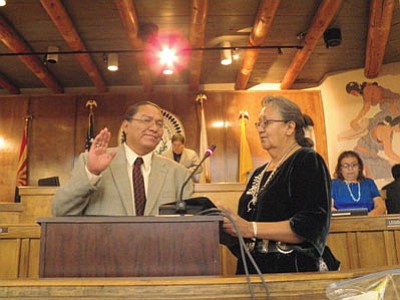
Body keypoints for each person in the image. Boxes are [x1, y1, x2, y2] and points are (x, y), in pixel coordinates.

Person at [217, 95, 333, 274]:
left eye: (267, 122)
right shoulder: (258, 173)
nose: (260, 129)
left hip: (290, 270)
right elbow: (246, 235)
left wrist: (250, 228)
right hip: (253, 271)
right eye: (259, 124)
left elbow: (310, 226)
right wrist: (228, 229)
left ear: (290, 127)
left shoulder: (307, 160)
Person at [52, 101, 193, 217]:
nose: (154, 128)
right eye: (146, 120)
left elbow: (189, 226)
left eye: (159, 123)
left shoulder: (179, 174)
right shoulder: (92, 163)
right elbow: (60, 211)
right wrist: (91, 174)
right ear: (126, 126)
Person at [331, 150, 386, 216]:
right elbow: (329, 207)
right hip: (341, 223)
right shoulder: (333, 184)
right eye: (346, 166)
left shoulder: (369, 183)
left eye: (354, 165)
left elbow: (381, 207)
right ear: (340, 169)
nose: (350, 169)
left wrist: (367, 218)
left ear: (359, 167)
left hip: (368, 222)